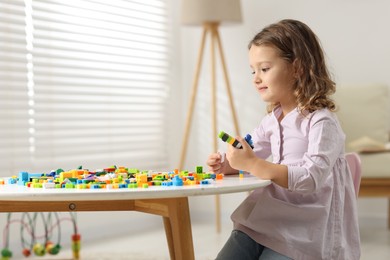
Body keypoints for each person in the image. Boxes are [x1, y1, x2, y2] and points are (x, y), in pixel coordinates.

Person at [207, 19, 360, 260]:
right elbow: (251, 153)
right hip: (268, 218)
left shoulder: (322, 123)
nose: (256, 78)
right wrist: (228, 163)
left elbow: (311, 178)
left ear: (297, 68)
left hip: (306, 228)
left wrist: (253, 164)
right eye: (253, 70)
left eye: (265, 69)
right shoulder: (272, 120)